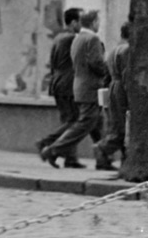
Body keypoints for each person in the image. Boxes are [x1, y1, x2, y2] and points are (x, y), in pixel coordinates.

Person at [42, 9, 109, 168]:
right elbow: (96, 63)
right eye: (98, 21)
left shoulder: (78, 39)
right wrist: (108, 71)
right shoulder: (91, 39)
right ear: (93, 23)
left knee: (96, 123)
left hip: (78, 86)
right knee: (84, 123)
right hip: (89, 88)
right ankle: (52, 150)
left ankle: (103, 159)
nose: (99, 25)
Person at [38, 7, 82, 164]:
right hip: (68, 84)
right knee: (75, 121)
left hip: (57, 82)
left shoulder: (58, 37)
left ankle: (70, 157)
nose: (82, 26)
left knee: (67, 120)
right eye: (80, 21)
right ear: (74, 22)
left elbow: (52, 63)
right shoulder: (72, 38)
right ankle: (46, 142)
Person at [96, 22, 131, 170]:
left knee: (117, 124)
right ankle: (102, 150)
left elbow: (107, 75)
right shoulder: (127, 50)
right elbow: (128, 74)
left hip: (113, 87)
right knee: (125, 126)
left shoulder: (114, 50)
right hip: (123, 89)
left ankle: (122, 159)